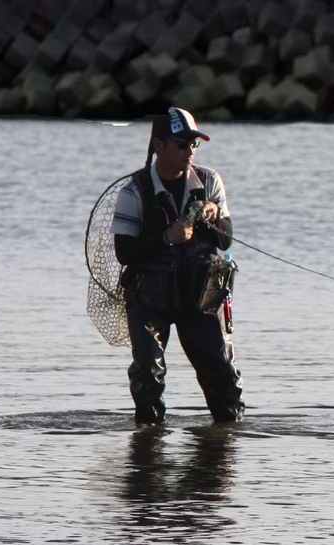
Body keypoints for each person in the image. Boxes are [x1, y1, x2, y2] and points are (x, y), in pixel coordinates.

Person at [110, 106, 245, 425]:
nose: (190, 151)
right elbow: (124, 252)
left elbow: (225, 241)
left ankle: (228, 438)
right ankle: (147, 452)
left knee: (219, 372)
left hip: (201, 298)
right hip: (149, 299)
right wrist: (166, 237)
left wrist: (214, 214)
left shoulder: (210, 182)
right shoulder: (133, 192)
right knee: (148, 374)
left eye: (193, 145)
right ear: (159, 146)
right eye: (182, 144)